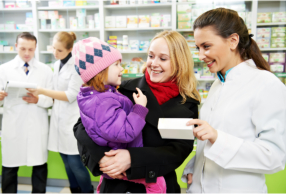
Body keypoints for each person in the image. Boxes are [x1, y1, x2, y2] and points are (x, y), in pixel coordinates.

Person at [73, 30, 200, 193]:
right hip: (117, 185)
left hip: (158, 182)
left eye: (163, 58)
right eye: (151, 56)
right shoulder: (123, 89)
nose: (154, 63)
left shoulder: (187, 102)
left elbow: (178, 150)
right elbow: (82, 126)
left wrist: (132, 159)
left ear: (179, 62)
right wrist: (102, 159)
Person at [182, 8, 286, 193]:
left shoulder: (266, 84)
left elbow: (275, 157)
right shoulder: (217, 85)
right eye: (198, 48)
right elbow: (210, 145)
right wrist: (194, 168)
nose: (200, 56)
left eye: (206, 46)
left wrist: (218, 137)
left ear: (233, 41)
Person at [26, 32, 93, 193]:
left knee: (76, 164)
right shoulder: (57, 64)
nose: (55, 53)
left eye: (60, 50)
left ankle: (88, 191)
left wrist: (42, 91)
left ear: (70, 49)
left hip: (72, 120)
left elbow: (71, 96)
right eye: (53, 49)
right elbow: (56, 91)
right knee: (66, 163)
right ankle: (74, 190)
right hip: (58, 119)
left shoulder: (77, 66)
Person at [0, 32, 53, 193]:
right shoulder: (2, 70)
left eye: (31, 49)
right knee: (10, 167)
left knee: (39, 167)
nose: (27, 53)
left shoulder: (45, 70)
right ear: (16, 46)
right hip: (14, 125)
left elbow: (51, 99)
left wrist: (38, 100)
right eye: (23, 48)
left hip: (37, 124)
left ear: (36, 48)